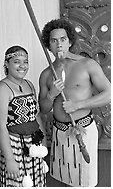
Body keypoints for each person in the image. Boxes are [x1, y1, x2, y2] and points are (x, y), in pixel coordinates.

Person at [38, 19, 111, 187]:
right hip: (58, 133)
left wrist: (78, 105)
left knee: (85, 181)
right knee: (62, 178)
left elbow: (109, 94)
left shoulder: (87, 65)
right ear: (48, 44)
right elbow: (43, 109)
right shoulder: (47, 74)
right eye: (54, 40)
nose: (59, 44)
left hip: (83, 131)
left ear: (70, 41)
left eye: (62, 39)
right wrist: (52, 94)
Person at [0, 45, 48, 187]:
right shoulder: (1, 89)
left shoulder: (29, 84)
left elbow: (36, 116)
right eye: (17, 61)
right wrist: (10, 160)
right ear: (7, 64)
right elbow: (1, 127)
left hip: (34, 144)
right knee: (15, 183)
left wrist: (44, 143)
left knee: (36, 182)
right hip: (13, 146)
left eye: (25, 61)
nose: (22, 66)